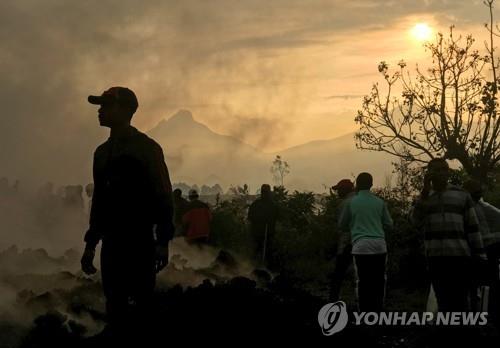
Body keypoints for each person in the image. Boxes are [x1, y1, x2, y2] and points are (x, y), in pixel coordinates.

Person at [80, 87, 174, 334]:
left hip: (139, 242)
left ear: (124, 110)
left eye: (106, 106)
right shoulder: (101, 153)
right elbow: (99, 201)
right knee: (115, 306)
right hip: (112, 244)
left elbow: (163, 195)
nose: (100, 111)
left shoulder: (147, 149)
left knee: (142, 306)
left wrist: (162, 241)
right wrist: (91, 245)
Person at [412, 158, 485, 311]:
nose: (439, 173)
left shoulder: (462, 195)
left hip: (459, 256)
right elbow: (415, 222)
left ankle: (461, 332)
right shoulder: (424, 199)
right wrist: (424, 192)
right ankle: (448, 333)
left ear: (448, 173)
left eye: (443, 169)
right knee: (443, 300)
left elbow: (473, 227)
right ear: (429, 174)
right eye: (435, 170)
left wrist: (479, 255)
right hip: (435, 258)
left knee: (461, 300)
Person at [339, 172, 393, 312]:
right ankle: (378, 310)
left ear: (356, 184)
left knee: (363, 281)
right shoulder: (380, 202)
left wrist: (354, 226)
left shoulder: (351, 202)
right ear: (371, 184)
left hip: (361, 246)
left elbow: (342, 225)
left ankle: (364, 312)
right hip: (379, 245)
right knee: (379, 280)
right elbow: (389, 224)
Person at [464, 179, 500, 322]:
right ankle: (483, 313)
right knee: (480, 283)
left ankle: (485, 313)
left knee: (484, 283)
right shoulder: (474, 206)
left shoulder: (480, 206)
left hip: (486, 247)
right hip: (480, 248)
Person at [329, 179, 355, 301]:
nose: (338, 193)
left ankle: (333, 299)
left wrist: (340, 247)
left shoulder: (345, 204)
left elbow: (342, 227)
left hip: (348, 243)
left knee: (338, 274)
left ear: (345, 190)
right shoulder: (361, 201)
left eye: (339, 190)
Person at [248, 184, 279, 267]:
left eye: (266, 192)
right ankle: (254, 269)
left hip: (268, 234)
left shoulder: (272, 205)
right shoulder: (256, 204)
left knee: (267, 254)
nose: (265, 194)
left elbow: (276, 217)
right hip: (257, 234)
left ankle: (265, 269)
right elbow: (250, 217)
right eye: (264, 192)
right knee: (256, 253)